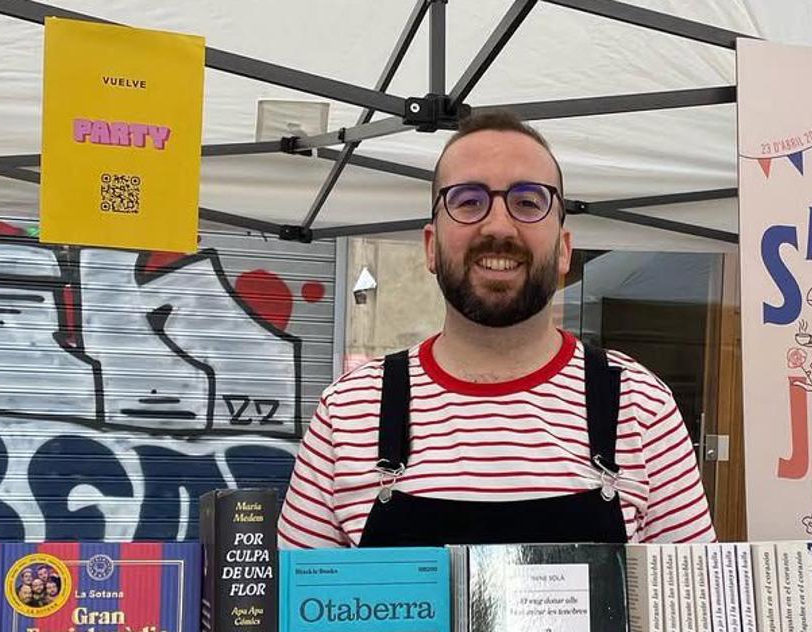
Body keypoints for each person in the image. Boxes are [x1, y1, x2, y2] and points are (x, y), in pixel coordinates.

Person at [278, 110, 715, 549]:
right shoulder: (348, 413)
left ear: (564, 250)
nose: (499, 226)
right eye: (468, 200)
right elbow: (288, 614)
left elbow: (693, 614)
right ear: (430, 247)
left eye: (528, 202)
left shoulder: (640, 404)